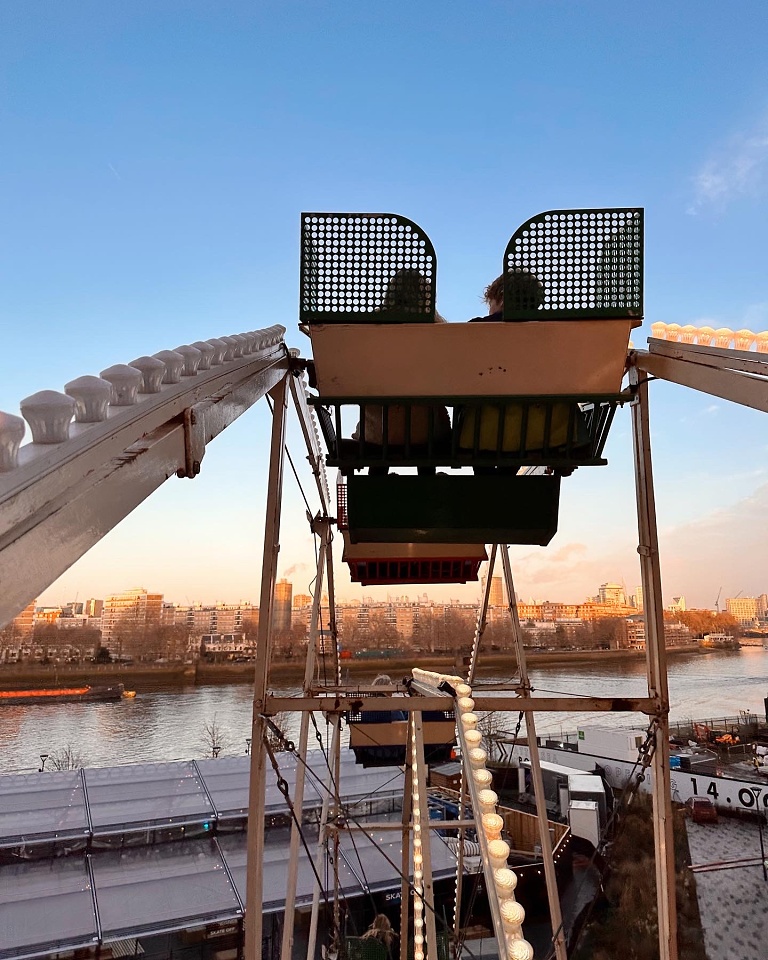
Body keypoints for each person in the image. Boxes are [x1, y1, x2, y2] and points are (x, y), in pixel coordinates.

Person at [352, 269, 451, 475]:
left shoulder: (369, 327)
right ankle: (428, 484)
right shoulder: (438, 329)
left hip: (377, 433)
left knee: (383, 431)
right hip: (427, 434)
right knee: (424, 423)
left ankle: (378, 483)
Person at [468, 268, 544, 322]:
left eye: (490, 304)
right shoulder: (546, 329)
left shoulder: (475, 327)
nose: (489, 312)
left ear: (502, 299)